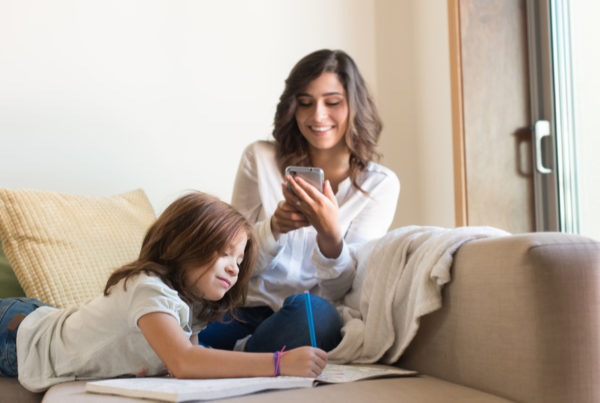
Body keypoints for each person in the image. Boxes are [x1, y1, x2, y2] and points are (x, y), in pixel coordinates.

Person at [0, 192, 327, 393]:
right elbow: (185, 361)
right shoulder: (149, 290)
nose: (234, 268)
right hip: (18, 333)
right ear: (185, 243)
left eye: (240, 261)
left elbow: (191, 362)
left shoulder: (194, 304)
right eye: (225, 254)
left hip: (42, 320)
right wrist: (277, 363)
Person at [198, 49, 400, 353]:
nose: (318, 115)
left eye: (332, 103)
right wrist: (274, 228)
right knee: (168, 331)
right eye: (305, 103)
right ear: (293, 107)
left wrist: (330, 237)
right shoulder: (259, 158)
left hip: (307, 317)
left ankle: (239, 357)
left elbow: (343, 289)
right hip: (244, 308)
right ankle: (247, 355)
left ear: (354, 106)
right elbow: (233, 263)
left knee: (316, 315)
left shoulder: (379, 185)